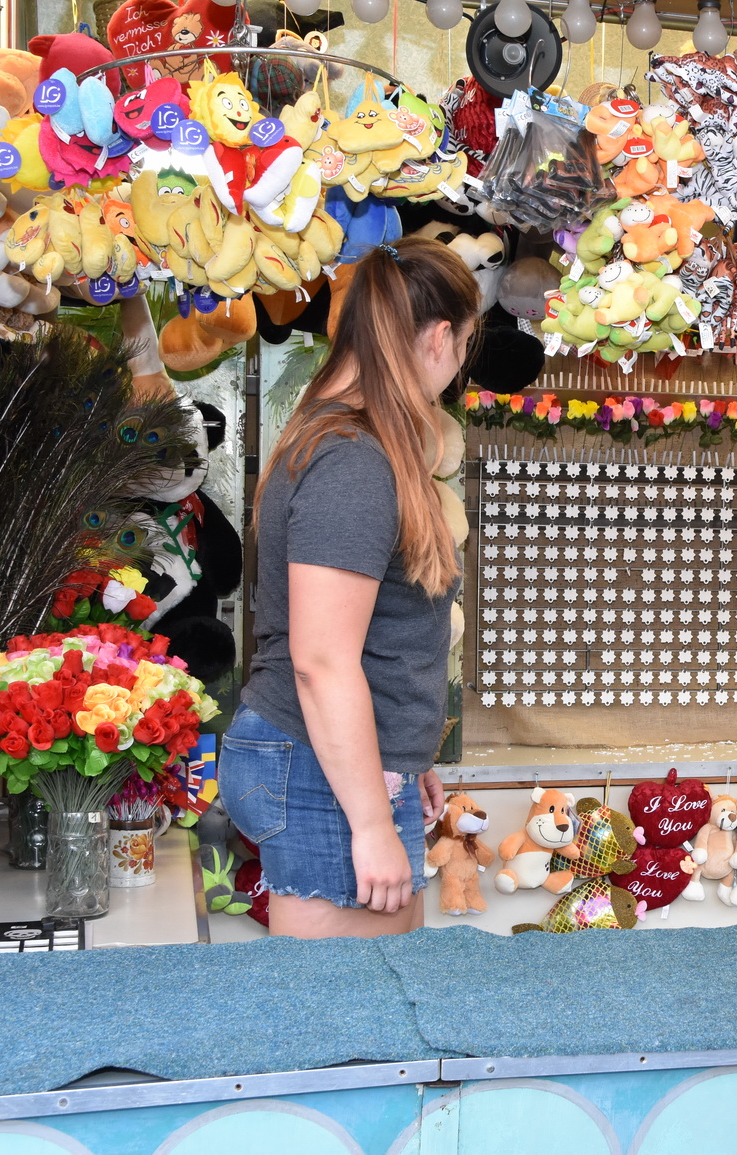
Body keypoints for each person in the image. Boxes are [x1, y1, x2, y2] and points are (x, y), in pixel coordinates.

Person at [218, 237, 476, 939]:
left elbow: (374, 635)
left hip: (339, 766)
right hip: (317, 774)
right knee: (352, 1026)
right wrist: (368, 819)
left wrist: (401, 757)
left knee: (387, 1001)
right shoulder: (355, 462)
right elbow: (322, 658)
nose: (456, 371)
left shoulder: (342, 439)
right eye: (464, 349)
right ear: (439, 337)